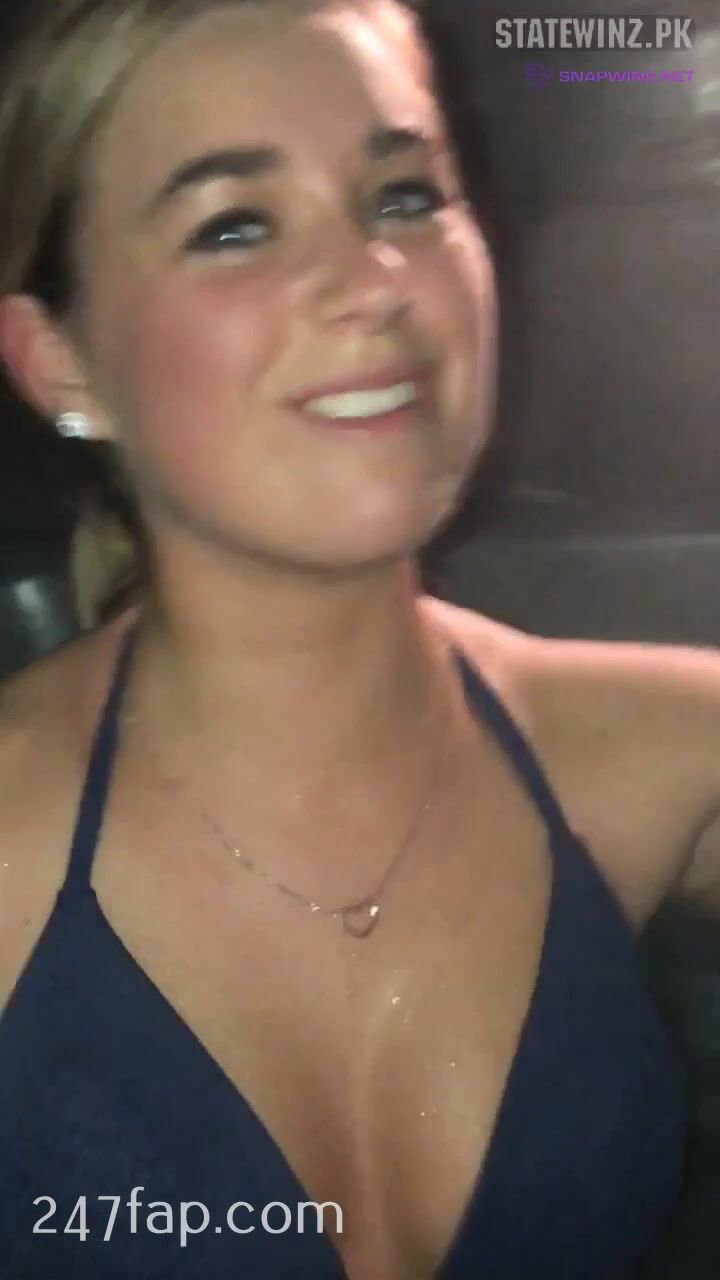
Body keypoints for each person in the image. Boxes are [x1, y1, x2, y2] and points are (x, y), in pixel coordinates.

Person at [0, 1, 718, 1276]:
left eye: (404, 197)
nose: (377, 281)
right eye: (235, 225)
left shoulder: (664, 752)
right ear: (61, 361)